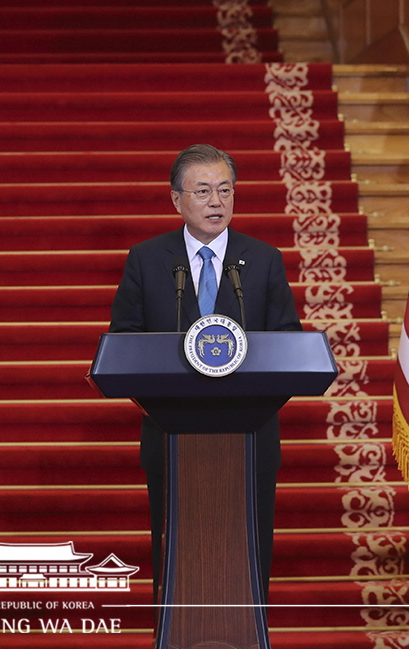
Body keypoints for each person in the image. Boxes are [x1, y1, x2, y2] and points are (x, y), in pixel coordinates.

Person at [108, 143, 301, 595]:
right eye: (203, 191)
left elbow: (289, 342)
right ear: (176, 200)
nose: (217, 202)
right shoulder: (147, 259)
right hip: (171, 437)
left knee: (249, 562)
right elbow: (124, 342)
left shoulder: (264, 259)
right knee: (177, 562)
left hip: (251, 439)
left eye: (225, 190)